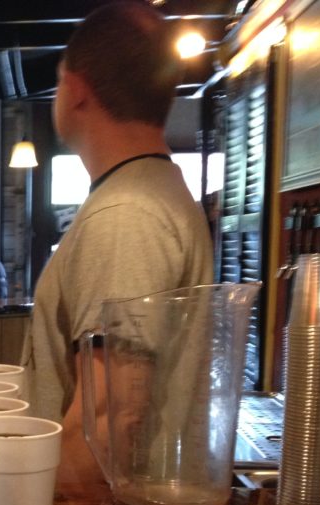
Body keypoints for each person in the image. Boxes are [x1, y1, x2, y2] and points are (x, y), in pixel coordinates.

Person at [21, 0, 213, 423]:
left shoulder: (125, 215)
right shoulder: (147, 192)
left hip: (102, 494)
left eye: (57, 81)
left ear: (77, 89)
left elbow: (110, 422)